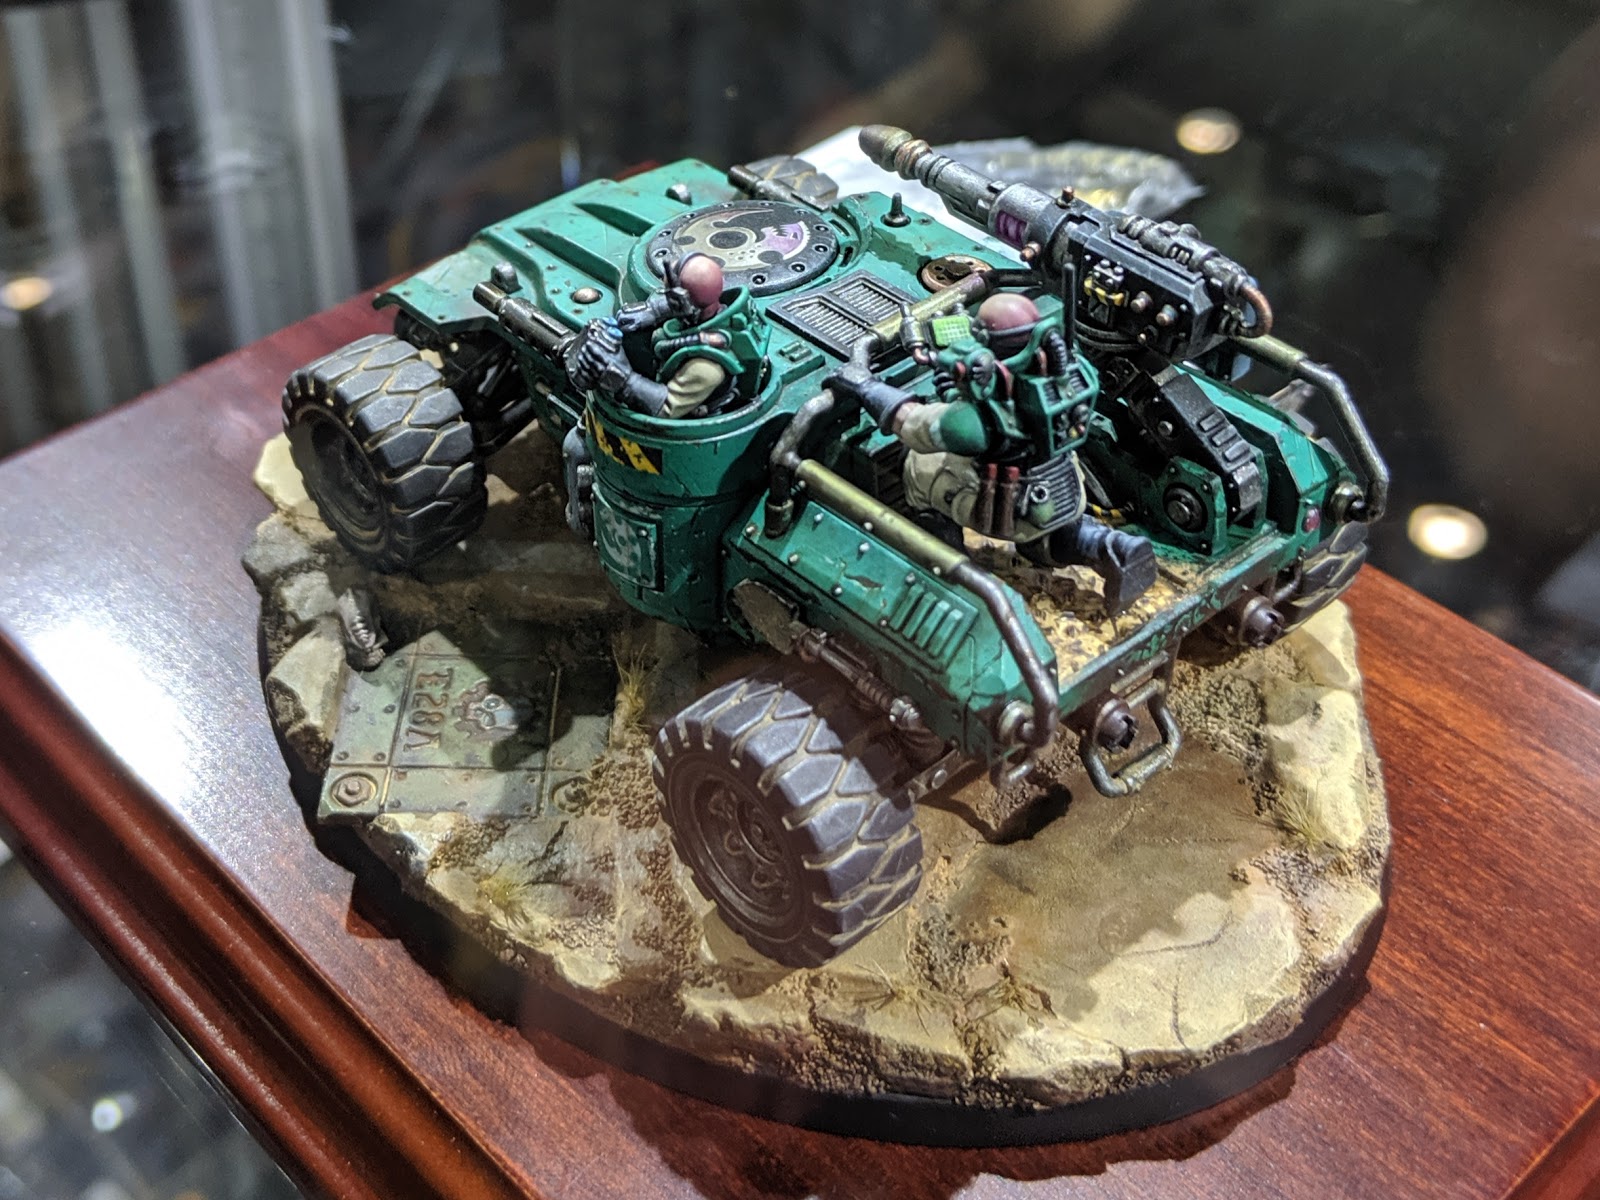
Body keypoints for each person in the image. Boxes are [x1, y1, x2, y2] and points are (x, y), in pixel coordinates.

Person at [828, 292, 1157, 616]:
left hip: (1004, 507)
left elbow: (914, 424)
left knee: (918, 466)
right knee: (1049, 538)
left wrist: (866, 387)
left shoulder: (980, 417)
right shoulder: (1060, 375)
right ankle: (1113, 547)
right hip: (1063, 489)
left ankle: (949, 568)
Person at [566, 252, 768, 418]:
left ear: (683, 302)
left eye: (670, 296)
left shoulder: (705, 368)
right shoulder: (709, 313)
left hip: (685, 415)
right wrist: (654, 310)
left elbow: (664, 409)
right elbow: (690, 304)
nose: (665, 298)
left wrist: (623, 377)